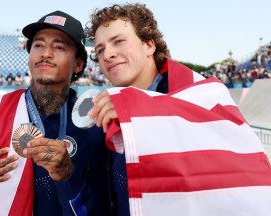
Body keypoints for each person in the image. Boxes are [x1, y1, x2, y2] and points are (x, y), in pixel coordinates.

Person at [86, 3, 271, 216]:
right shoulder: (108, 111)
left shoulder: (203, 95)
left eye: (118, 41)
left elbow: (240, 173)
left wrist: (137, 110)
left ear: (149, 45)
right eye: (100, 50)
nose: (107, 54)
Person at [0, 10, 111, 215]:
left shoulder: (93, 126)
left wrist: (67, 176)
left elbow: (99, 210)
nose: (45, 53)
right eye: (38, 45)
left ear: (78, 64)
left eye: (59, 47)